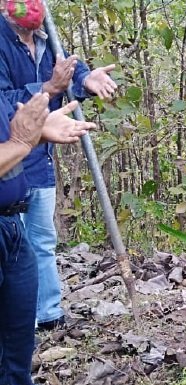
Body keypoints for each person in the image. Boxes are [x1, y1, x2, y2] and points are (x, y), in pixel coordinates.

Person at [0, 0, 117, 331]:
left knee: (42, 240)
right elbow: (5, 102)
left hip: (41, 161)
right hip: (11, 163)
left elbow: (69, 69)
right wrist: (48, 89)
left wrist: (86, 79)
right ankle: (19, 319)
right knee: (13, 246)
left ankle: (49, 313)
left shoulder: (45, 35)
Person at [0, 90, 96, 385]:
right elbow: (14, 144)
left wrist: (36, 133)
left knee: (18, 321)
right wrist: (23, 143)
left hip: (11, 220)